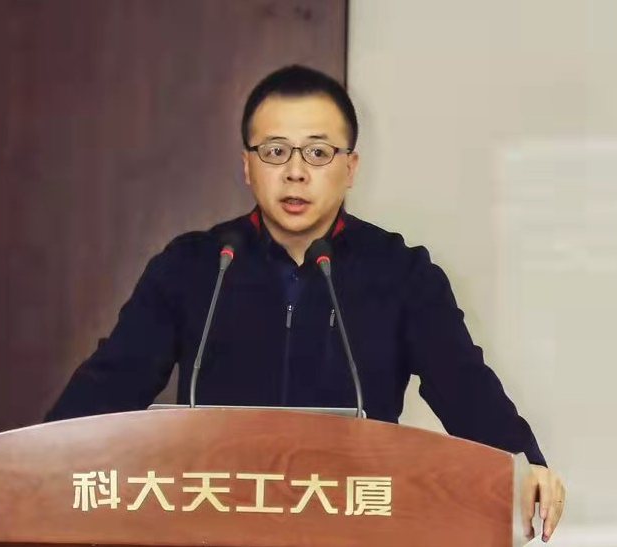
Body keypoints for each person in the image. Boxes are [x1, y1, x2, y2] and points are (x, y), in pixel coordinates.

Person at [46, 65, 566, 542]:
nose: (295, 172)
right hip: (214, 527)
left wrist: (524, 462)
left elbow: (463, 383)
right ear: (248, 166)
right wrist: (40, 458)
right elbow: (113, 380)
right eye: (275, 151)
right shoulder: (197, 265)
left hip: (355, 530)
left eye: (318, 153)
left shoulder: (401, 273)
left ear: (350, 167)